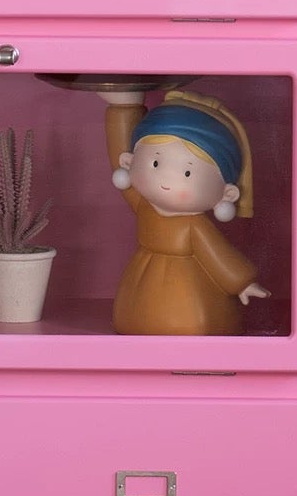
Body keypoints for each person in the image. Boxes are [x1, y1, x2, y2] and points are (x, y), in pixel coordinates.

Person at [102, 88, 269, 335]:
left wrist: (241, 283)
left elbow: (217, 255)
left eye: (187, 172)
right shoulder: (145, 205)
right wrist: (122, 108)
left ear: (227, 193)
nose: (166, 180)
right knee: (136, 319)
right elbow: (116, 151)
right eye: (156, 163)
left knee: (184, 324)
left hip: (186, 297)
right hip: (140, 292)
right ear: (129, 162)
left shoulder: (194, 226)